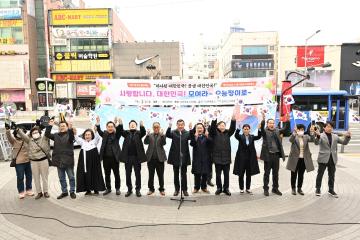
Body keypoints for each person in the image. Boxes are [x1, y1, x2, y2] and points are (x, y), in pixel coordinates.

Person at [314, 121, 351, 198]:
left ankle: (331, 189)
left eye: (331, 127)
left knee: (331, 175)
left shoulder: (335, 136)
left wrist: (347, 137)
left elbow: (344, 142)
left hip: (332, 158)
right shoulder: (321, 135)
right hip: (323, 158)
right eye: (328, 126)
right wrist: (317, 136)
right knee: (320, 174)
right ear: (324, 128)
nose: (329, 128)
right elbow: (316, 143)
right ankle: (318, 189)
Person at [45, 119, 76, 199]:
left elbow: (72, 137)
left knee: (71, 177)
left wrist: (70, 128)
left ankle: (72, 191)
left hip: (68, 160)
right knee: (61, 178)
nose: (62, 127)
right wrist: (50, 125)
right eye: (60, 126)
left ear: (67, 127)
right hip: (59, 160)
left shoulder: (70, 134)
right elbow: (47, 134)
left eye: (63, 126)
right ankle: (64, 192)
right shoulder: (56, 135)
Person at [17, 126, 50, 200]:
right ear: (31, 134)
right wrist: (18, 130)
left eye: (36, 132)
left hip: (43, 160)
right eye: (33, 133)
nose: (35, 134)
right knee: (36, 178)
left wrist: (46, 125)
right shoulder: (29, 140)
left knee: (45, 177)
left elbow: (48, 132)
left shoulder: (44, 138)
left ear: (40, 133)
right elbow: (23, 136)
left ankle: (46, 191)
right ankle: (39, 192)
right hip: (34, 162)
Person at [260, 114, 289, 196]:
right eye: (270, 123)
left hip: (276, 156)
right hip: (268, 155)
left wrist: (287, 120)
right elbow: (261, 129)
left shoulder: (277, 130)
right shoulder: (265, 131)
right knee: (267, 173)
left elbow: (285, 129)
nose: (271, 124)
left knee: (276, 173)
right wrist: (263, 120)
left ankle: (275, 188)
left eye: (273, 123)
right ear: (267, 124)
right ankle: (266, 189)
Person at [73, 127, 106, 196]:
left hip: (94, 163)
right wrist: (75, 133)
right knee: (86, 175)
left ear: (91, 135)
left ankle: (96, 189)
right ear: (84, 136)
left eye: (89, 135)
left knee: (95, 174)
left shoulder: (94, 142)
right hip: (85, 163)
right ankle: (88, 190)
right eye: (86, 135)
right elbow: (76, 138)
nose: (87, 136)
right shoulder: (82, 142)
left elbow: (97, 136)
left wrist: (96, 130)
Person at [209, 115, 236, 196]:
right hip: (217, 158)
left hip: (226, 158)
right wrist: (214, 118)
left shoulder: (228, 133)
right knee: (218, 175)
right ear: (218, 126)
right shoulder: (214, 133)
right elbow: (213, 127)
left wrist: (233, 120)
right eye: (221, 125)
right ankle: (219, 188)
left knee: (226, 175)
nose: (222, 127)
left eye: (224, 125)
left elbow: (233, 128)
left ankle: (226, 188)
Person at [119, 119, 147, 197]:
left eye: (134, 124)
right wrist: (120, 124)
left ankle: (138, 190)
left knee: (137, 174)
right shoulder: (126, 133)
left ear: (136, 126)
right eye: (131, 124)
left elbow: (144, 132)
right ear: (129, 126)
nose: (132, 125)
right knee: (128, 174)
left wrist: (142, 126)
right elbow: (120, 131)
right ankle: (129, 189)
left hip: (137, 158)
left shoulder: (139, 133)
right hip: (127, 158)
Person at [96, 116, 122, 196]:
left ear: (114, 127)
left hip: (115, 158)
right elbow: (99, 131)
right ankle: (108, 188)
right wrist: (98, 123)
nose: (110, 128)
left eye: (112, 127)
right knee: (107, 174)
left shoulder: (116, 135)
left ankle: (117, 188)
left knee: (116, 174)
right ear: (107, 127)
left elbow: (119, 131)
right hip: (106, 159)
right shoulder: (104, 134)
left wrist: (119, 124)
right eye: (109, 127)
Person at [286, 124, 315, 195]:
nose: (301, 131)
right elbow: (290, 140)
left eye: (302, 130)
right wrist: (294, 132)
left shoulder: (306, 137)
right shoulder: (294, 137)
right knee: (293, 174)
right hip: (294, 159)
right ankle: (293, 189)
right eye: (299, 129)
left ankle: (299, 188)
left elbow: (313, 140)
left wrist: (312, 132)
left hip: (303, 159)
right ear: (297, 130)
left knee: (301, 174)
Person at [5, 124, 32, 199]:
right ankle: (21, 191)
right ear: (15, 133)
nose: (19, 133)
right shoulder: (14, 141)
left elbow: (31, 133)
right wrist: (7, 130)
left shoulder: (26, 139)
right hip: (19, 162)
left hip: (28, 161)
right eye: (18, 132)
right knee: (20, 177)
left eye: (22, 132)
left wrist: (37, 125)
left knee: (29, 176)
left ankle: (29, 189)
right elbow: (9, 136)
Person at [233, 124, 261, 194]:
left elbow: (259, 136)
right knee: (241, 174)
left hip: (250, 159)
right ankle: (241, 188)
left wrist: (259, 129)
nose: (246, 130)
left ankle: (248, 188)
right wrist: (238, 129)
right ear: (243, 130)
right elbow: (236, 135)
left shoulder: (252, 137)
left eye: (247, 129)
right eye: (244, 129)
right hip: (241, 159)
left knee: (249, 174)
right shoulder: (240, 136)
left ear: (249, 130)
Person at [166, 119, 192, 197]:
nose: (180, 126)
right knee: (176, 174)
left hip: (184, 157)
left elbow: (192, 136)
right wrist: (169, 126)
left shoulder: (187, 133)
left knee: (184, 174)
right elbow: (167, 134)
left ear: (184, 125)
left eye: (182, 124)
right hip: (175, 157)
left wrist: (191, 129)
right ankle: (177, 189)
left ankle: (184, 190)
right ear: (177, 125)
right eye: (179, 125)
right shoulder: (173, 132)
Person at [144, 122, 167, 196]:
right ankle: (151, 189)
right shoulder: (150, 135)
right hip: (150, 159)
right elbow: (145, 142)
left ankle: (161, 189)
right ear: (153, 128)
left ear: (159, 128)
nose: (156, 128)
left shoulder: (162, 135)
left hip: (160, 159)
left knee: (161, 175)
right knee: (151, 175)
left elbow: (164, 143)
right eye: (155, 127)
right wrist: (147, 135)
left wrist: (163, 136)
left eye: (157, 127)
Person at [190, 123, 212, 194]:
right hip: (197, 158)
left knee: (205, 174)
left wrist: (207, 136)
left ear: (203, 129)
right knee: (197, 174)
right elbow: (192, 144)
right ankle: (196, 188)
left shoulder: (206, 136)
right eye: (198, 128)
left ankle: (204, 187)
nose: (199, 129)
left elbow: (211, 143)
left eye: (201, 128)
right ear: (196, 129)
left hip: (206, 158)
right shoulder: (194, 136)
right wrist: (195, 137)